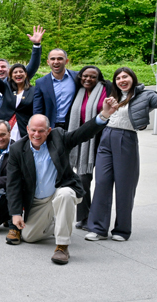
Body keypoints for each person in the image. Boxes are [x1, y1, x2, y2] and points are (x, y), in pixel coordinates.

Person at [7, 105, 116, 265]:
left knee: (65, 195)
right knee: (29, 237)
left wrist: (104, 115)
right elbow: (13, 183)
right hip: (38, 200)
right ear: (27, 129)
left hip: (60, 190)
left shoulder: (58, 137)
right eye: (34, 130)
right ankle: (59, 223)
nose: (37, 134)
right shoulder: (17, 149)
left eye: (41, 131)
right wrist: (16, 213)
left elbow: (81, 134)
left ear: (49, 130)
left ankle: (62, 246)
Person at [85, 65, 157, 242]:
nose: (122, 80)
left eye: (125, 77)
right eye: (118, 78)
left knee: (124, 186)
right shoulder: (113, 95)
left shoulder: (146, 95)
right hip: (106, 138)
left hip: (126, 138)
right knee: (102, 182)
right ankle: (98, 228)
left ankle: (122, 230)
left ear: (132, 78)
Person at [68, 66, 111, 230]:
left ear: (99, 78)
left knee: (102, 181)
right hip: (82, 141)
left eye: (93, 77)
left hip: (102, 140)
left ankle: (99, 219)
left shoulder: (107, 88)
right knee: (82, 179)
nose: (88, 79)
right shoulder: (78, 91)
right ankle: (85, 217)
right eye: (85, 76)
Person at [34, 49, 78, 128]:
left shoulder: (77, 77)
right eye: (53, 59)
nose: (56, 61)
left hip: (73, 125)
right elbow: (38, 108)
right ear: (48, 62)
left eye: (60, 59)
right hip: (50, 126)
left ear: (66, 61)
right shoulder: (41, 82)